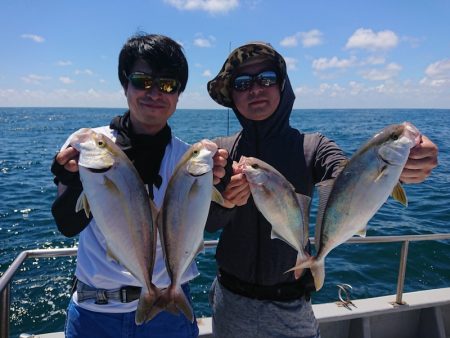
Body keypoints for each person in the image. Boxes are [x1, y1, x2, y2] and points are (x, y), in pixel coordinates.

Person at [205, 42, 439, 338]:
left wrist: (402, 167)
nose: (255, 89)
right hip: (230, 302)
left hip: (291, 304)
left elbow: (348, 179)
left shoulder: (313, 147)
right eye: (242, 83)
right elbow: (209, 224)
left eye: (266, 78)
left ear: (282, 86)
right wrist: (225, 202)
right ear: (232, 95)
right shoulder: (222, 153)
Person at [50, 33, 226, 338]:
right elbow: (67, 223)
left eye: (168, 85)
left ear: (179, 94)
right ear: (124, 85)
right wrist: (72, 180)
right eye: (142, 81)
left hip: (168, 317)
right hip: (95, 313)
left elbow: (208, 224)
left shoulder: (186, 160)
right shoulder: (91, 144)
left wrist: (224, 190)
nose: (154, 93)